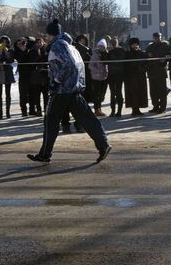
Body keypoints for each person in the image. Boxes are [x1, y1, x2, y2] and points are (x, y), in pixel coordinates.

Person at [27, 19, 111, 163]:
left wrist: (56, 80)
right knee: (87, 118)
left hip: (61, 90)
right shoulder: (69, 45)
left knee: (50, 121)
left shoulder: (58, 45)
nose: (46, 37)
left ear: (51, 34)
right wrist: (49, 72)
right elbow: (73, 66)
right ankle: (103, 145)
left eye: (47, 34)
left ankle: (45, 154)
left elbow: (69, 65)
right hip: (73, 88)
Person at [0, 36, 16, 119]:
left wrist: (7, 52)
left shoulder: (10, 50)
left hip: (8, 72)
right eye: (2, 42)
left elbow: (11, 60)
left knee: (8, 93)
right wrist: (0, 52)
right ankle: (0, 113)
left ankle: (8, 112)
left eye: (6, 42)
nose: (4, 44)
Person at [124, 38, 149, 116]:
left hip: (140, 75)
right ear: (130, 45)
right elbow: (127, 65)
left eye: (136, 44)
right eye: (133, 44)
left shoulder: (141, 53)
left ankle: (137, 109)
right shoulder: (128, 54)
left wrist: (143, 68)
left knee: (140, 92)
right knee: (133, 92)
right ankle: (134, 109)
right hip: (131, 76)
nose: (135, 46)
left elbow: (146, 62)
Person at [146, 32, 170, 114]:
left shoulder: (165, 45)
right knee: (153, 91)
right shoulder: (150, 46)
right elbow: (147, 55)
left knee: (162, 90)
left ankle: (162, 107)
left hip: (161, 70)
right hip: (152, 71)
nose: (157, 38)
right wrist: (149, 55)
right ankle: (155, 106)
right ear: (153, 38)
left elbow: (168, 55)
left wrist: (164, 60)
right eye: (155, 37)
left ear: (161, 37)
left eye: (158, 37)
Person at [28, 38, 49, 116]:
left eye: (41, 42)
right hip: (36, 77)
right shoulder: (32, 51)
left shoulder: (46, 51)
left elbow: (47, 60)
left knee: (46, 95)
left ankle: (46, 110)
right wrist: (37, 53)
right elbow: (33, 62)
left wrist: (44, 53)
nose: (40, 44)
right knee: (37, 95)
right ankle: (39, 110)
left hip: (45, 76)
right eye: (38, 43)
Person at [106, 37, 126, 117]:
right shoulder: (121, 51)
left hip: (115, 74)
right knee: (117, 92)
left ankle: (115, 111)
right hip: (116, 74)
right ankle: (117, 111)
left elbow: (110, 61)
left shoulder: (113, 52)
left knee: (114, 92)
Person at [14, 38, 34, 117]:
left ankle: (32, 110)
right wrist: (22, 49)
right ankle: (24, 111)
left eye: (24, 42)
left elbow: (33, 40)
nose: (23, 43)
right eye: (21, 42)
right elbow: (20, 59)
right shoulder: (17, 51)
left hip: (31, 73)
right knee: (23, 93)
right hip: (23, 74)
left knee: (32, 92)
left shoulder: (30, 48)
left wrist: (26, 40)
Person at [89, 39, 109, 117]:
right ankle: (97, 110)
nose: (101, 48)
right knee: (96, 94)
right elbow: (90, 66)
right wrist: (98, 71)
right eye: (100, 46)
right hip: (96, 77)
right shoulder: (95, 54)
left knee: (101, 94)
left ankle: (99, 109)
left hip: (104, 77)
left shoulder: (106, 54)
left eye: (103, 46)